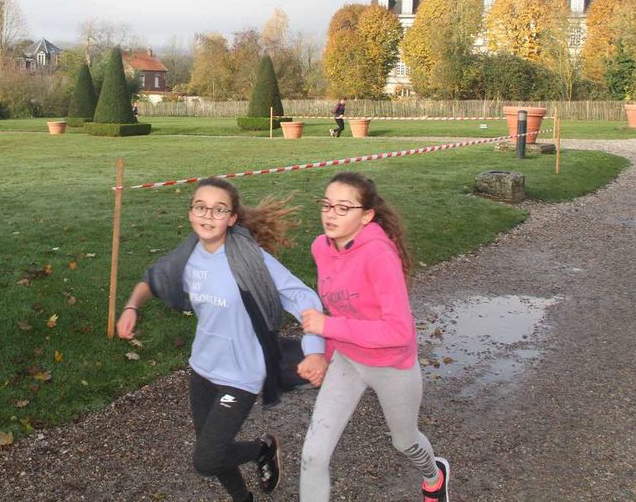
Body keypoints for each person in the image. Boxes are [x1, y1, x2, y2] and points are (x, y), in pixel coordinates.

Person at [118, 177, 327, 502]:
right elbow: (153, 278)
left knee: (206, 459)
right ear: (190, 212)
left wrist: (314, 351)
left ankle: (262, 449)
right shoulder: (188, 255)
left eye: (219, 210)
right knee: (213, 450)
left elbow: (304, 297)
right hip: (201, 369)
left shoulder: (249, 259)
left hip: (240, 376)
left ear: (232, 217)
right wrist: (132, 306)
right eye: (200, 207)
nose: (208, 216)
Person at [299, 171, 450, 502]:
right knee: (313, 455)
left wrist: (329, 328)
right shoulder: (320, 247)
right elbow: (338, 308)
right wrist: (323, 355)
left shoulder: (379, 255)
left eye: (343, 208)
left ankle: (434, 476)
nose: (330, 214)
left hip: (390, 364)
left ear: (366, 216)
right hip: (348, 361)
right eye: (326, 205)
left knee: (405, 441)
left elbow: (398, 331)